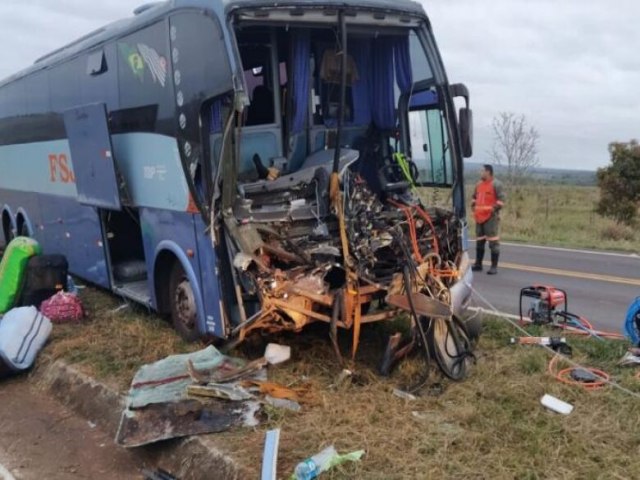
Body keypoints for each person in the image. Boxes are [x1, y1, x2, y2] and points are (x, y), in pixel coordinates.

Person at [471, 164, 505, 275]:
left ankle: (493, 267)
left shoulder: (496, 184)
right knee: (479, 242)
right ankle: (478, 264)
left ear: (488, 172)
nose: (480, 173)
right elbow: (474, 198)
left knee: (493, 243)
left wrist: (493, 210)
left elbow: (501, 201)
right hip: (479, 218)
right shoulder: (478, 185)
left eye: (482, 171)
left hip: (490, 218)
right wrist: (474, 209)